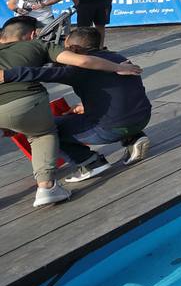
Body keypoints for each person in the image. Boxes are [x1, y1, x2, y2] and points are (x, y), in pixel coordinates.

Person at [0, 17, 141, 207]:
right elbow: (85, 64)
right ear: (33, 34)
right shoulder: (118, 57)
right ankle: (47, 188)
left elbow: (53, 73)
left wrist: (9, 75)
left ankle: (91, 162)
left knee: (51, 127)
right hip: (139, 117)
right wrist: (119, 68)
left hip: (110, 125)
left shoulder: (72, 72)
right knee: (42, 133)